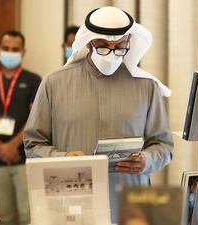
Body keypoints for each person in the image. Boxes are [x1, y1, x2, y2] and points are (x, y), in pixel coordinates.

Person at [23, 6, 173, 223]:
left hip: (131, 206)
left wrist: (147, 160)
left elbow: (164, 146)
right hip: (73, 205)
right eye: (103, 46)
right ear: (89, 41)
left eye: (120, 45)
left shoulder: (146, 86)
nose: (112, 53)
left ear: (129, 40)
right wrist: (63, 159)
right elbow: (32, 144)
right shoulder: (54, 83)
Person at [0, 30, 41, 225]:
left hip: (24, 158)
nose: (10, 52)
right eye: (6, 48)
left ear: (23, 51)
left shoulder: (33, 80)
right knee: (4, 217)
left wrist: (12, 145)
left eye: (15, 49)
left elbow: (35, 117)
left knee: (28, 216)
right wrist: (1, 147)